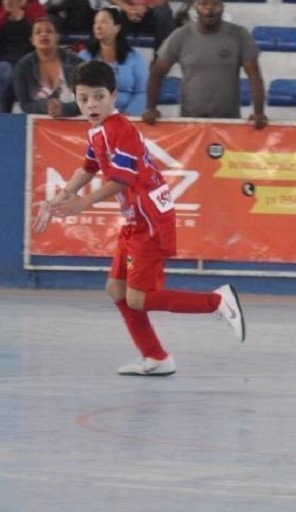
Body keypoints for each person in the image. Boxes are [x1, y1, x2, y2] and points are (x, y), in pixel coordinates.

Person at [31, 60, 245, 376]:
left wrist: (82, 204)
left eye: (98, 97)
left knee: (138, 297)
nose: (91, 104)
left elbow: (121, 180)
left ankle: (216, 302)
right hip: (133, 221)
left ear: (114, 95)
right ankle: (156, 357)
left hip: (150, 221)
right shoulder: (96, 131)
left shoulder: (123, 131)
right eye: (83, 98)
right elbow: (88, 167)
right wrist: (60, 197)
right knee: (117, 291)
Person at [144, 0, 267, 128]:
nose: (209, 9)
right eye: (204, 4)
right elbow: (157, 73)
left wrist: (259, 112)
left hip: (229, 123)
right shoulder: (180, 36)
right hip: (189, 121)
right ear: (196, 8)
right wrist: (150, 108)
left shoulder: (239, 35)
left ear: (223, 7)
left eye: (215, 4)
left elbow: (254, 76)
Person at [79, 7, 147, 115]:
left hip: (127, 118)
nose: (98, 26)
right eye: (95, 22)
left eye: (104, 22)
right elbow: (78, 92)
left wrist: (128, 113)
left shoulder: (134, 57)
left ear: (117, 27)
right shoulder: (84, 57)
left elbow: (141, 93)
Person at [13, 16, 82, 117]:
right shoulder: (23, 67)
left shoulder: (76, 62)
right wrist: (46, 107)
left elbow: (88, 99)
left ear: (57, 37)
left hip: (76, 122)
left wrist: (64, 109)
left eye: (49, 31)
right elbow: (25, 105)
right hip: (38, 124)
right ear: (32, 40)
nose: (44, 34)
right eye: (38, 32)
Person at [0, 0, 45, 112]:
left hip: (27, 59)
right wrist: (6, 14)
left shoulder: (30, 14)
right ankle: (3, 114)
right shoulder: (2, 17)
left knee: (20, 71)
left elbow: (41, 28)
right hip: (5, 60)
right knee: (7, 71)